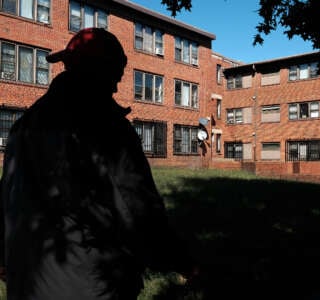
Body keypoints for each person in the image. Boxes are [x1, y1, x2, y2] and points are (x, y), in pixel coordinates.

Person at [0, 27, 195, 300]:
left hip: (28, 280)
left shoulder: (23, 126)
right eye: (116, 75)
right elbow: (137, 209)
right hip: (88, 285)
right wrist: (182, 261)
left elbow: (7, 197)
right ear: (102, 72)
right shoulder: (107, 129)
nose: (117, 85)